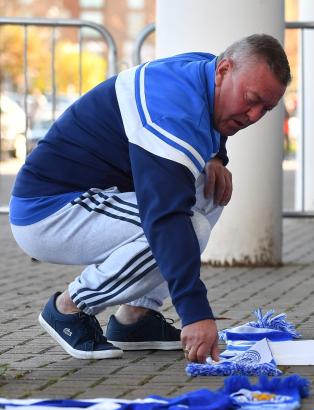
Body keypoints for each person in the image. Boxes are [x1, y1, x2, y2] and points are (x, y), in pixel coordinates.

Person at [8, 34, 290, 364]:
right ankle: (69, 308)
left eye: (266, 109)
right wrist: (196, 314)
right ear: (224, 70)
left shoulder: (202, 68)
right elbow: (166, 219)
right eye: (251, 99)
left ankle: (136, 319)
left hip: (95, 194)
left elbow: (210, 126)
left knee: (210, 190)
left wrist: (216, 157)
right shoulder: (172, 110)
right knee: (187, 228)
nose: (254, 115)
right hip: (47, 211)